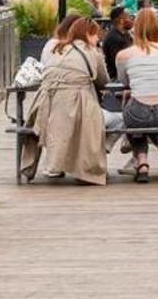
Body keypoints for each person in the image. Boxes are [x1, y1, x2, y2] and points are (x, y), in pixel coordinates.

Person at [21, 14, 109, 185]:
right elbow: (103, 81)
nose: (98, 38)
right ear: (88, 34)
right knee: (92, 122)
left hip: (44, 104)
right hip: (76, 103)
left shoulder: (56, 48)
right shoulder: (93, 52)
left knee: (53, 123)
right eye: (95, 34)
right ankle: (85, 170)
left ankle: (32, 168)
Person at [116, 8, 158, 184]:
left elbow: (124, 81)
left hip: (138, 112)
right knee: (151, 117)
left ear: (134, 29)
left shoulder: (123, 55)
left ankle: (143, 164)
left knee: (137, 120)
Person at [100, 5, 133, 81]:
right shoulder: (114, 38)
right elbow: (118, 63)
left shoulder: (125, 35)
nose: (132, 19)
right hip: (117, 78)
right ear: (121, 20)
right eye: (129, 17)